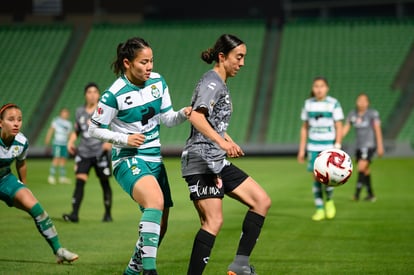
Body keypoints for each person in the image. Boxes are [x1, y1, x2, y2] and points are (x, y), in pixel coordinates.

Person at [88, 36, 192, 275]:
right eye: (144, 62)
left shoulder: (158, 82)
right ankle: (149, 271)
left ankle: (132, 271)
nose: (150, 67)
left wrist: (183, 113)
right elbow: (93, 128)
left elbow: (167, 119)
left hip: (155, 158)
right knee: (155, 203)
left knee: (160, 224)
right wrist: (123, 139)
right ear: (127, 63)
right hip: (128, 158)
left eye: (151, 61)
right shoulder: (113, 94)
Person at [180, 34, 272, 275]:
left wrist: (228, 140)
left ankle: (240, 265)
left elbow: (214, 121)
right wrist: (221, 141)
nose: (242, 63)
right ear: (222, 57)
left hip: (216, 160)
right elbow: (196, 117)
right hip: (201, 160)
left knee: (261, 201)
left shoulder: (220, 83)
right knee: (213, 222)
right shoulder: (212, 83)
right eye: (238, 57)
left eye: (244, 58)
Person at [0, 103, 79, 263]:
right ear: (0, 122)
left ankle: (59, 250)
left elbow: (21, 163)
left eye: (19, 120)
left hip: (5, 179)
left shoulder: (22, 142)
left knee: (37, 208)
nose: (16, 123)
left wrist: (24, 187)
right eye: (11, 119)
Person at [62, 82, 113, 223]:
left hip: (100, 152)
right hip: (84, 152)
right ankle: (74, 214)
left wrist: (108, 143)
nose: (92, 95)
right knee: (80, 181)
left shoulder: (103, 110)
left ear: (99, 95)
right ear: (85, 95)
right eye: (89, 92)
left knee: (104, 182)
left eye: (95, 92)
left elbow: (112, 128)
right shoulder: (79, 112)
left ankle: (108, 214)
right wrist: (70, 142)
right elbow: (77, 130)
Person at [297, 76, 344, 221]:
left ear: (327, 88)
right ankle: (319, 208)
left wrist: (337, 144)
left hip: (328, 147)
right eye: (316, 86)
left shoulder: (333, 103)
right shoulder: (308, 104)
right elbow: (304, 128)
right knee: (316, 178)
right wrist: (302, 149)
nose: (319, 89)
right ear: (313, 88)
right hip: (313, 147)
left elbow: (339, 125)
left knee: (328, 179)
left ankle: (329, 201)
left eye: (321, 86)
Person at [342, 93, 384, 202]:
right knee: (365, 170)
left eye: (364, 100)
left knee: (361, 168)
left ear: (368, 103)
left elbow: (377, 130)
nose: (362, 103)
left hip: (369, 145)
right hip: (359, 146)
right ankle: (371, 194)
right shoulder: (353, 114)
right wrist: (338, 137)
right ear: (356, 102)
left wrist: (380, 146)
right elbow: (345, 128)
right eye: (359, 100)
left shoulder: (372, 114)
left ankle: (356, 194)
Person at [45, 107, 72, 184]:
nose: (65, 114)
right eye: (63, 113)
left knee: (63, 159)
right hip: (57, 143)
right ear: (61, 113)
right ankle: (51, 176)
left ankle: (62, 177)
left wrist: (70, 142)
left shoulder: (69, 124)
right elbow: (51, 130)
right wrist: (47, 139)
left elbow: (69, 134)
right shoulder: (56, 121)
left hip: (64, 143)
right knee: (56, 159)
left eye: (66, 113)